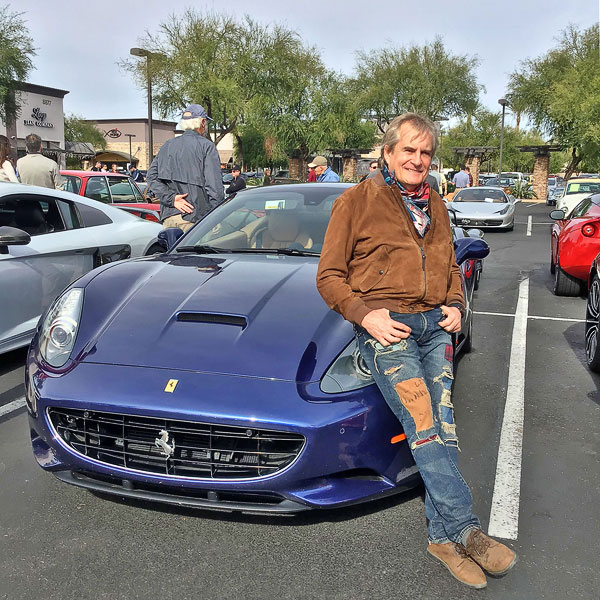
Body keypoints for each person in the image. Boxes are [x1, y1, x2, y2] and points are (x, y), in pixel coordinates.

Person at [316, 113, 516, 590]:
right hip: (390, 332)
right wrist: (365, 315)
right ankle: (467, 530)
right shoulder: (354, 203)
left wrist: (457, 304)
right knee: (423, 425)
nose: (417, 159)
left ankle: (441, 540)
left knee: (443, 428)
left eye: (425, 152)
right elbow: (329, 277)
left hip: (435, 329)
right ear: (388, 153)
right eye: (408, 150)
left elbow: (450, 265)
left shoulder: (437, 204)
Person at [146, 103, 224, 232]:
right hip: (196, 219)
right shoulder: (207, 146)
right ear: (202, 122)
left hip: (169, 218)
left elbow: (151, 177)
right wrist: (216, 217)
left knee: (172, 246)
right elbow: (214, 188)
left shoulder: (167, 145)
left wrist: (171, 199)